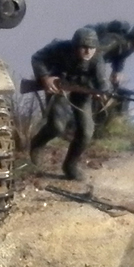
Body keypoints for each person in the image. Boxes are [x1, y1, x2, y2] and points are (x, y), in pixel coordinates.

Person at [29, 27, 113, 181]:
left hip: (82, 92)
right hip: (59, 88)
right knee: (56, 126)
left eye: (92, 48)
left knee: (86, 132)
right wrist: (45, 78)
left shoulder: (97, 59)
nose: (88, 51)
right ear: (75, 46)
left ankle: (70, 165)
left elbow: (103, 83)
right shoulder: (59, 48)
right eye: (84, 47)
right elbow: (37, 58)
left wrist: (103, 94)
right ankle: (37, 144)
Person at [91, 21, 134, 87]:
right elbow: (96, 54)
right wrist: (102, 77)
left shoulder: (131, 46)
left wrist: (116, 72)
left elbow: (120, 58)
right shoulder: (115, 40)